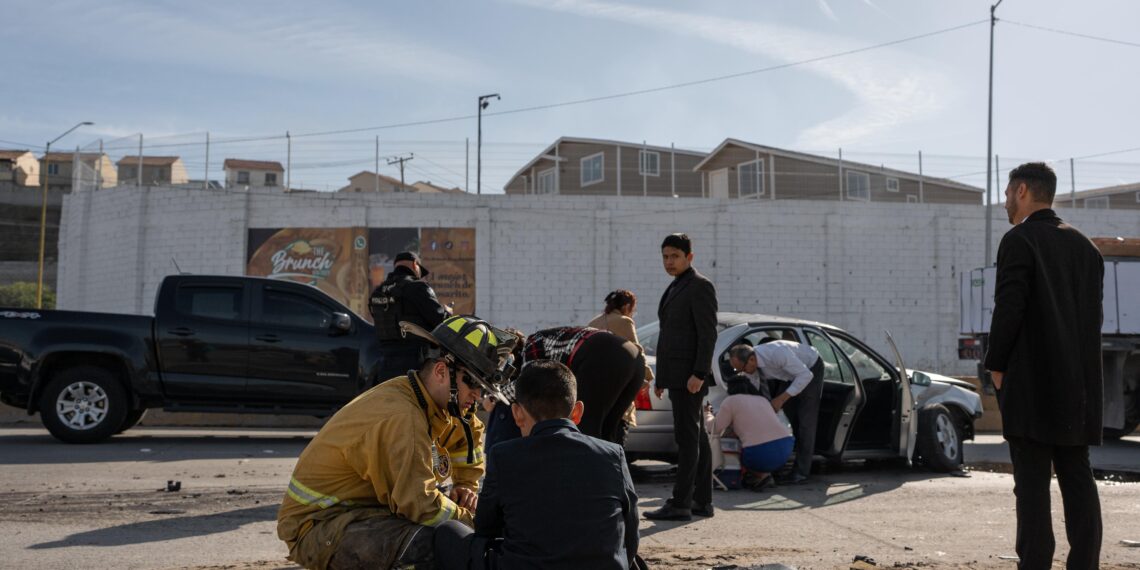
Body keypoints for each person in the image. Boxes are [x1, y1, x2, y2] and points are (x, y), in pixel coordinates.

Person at [276, 315, 517, 570]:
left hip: (365, 511)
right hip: (321, 526)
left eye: (482, 387)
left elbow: (465, 440)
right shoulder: (403, 417)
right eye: (472, 383)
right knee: (436, 545)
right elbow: (422, 506)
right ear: (440, 371)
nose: (478, 396)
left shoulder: (439, 402)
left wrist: (465, 487)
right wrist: (477, 523)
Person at [984, 162, 1104, 569]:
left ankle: (1035, 564)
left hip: (1032, 384)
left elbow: (1009, 307)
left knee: (1032, 484)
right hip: (1078, 384)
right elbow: (1093, 322)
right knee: (1078, 476)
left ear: (1021, 191)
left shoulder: (1020, 240)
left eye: (1005, 194)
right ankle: (1084, 563)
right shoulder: (1086, 247)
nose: (1004, 202)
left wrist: (995, 364)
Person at [433, 360, 640, 570]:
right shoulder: (613, 454)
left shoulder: (504, 456)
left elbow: (486, 528)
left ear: (517, 413)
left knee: (447, 532)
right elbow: (630, 532)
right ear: (577, 412)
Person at [644, 233, 718, 522]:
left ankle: (680, 504)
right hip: (677, 376)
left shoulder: (700, 286)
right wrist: (661, 378)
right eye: (665, 256)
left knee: (687, 440)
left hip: (690, 377)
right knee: (695, 438)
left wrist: (699, 372)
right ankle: (701, 502)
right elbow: (670, 338)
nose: (669, 262)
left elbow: (707, 333)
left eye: (674, 256)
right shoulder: (676, 286)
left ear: (690, 257)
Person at [484, 326, 646, 450]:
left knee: (586, 430)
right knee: (608, 432)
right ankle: (611, 482)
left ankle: (584, 487)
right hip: (635, 359)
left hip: (603, 355)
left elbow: (527, 383)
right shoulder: (549, 338)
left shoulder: (533, 344)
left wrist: (494, 397)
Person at [728, 338, 822, 484]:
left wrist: (781, 398)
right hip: (789, 376)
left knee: (805, 422)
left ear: (752, 360)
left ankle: (802, 472)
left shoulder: (777, 353)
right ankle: (786, 461)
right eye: (737, 370)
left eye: (742, 369)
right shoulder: (750, 366)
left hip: (810, 369)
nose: (742, 373)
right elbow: (755, 390)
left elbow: (805, 376)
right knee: (790, 418)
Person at [369, 251, 451, 384]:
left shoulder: (378, 292)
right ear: (415, 264)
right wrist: (447, 311)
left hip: (385, 366)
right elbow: (441, 321)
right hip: (414, 366)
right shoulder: (417, 287)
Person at [588, 289, 656, 445]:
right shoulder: (624, 322)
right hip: (617, 384)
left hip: (594, 388)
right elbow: (637, 352)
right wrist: (648, 377)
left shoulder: (593, 323)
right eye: (633, 309)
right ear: (626, 306)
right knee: (616, 435)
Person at [709, 376, 794, 490]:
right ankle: (765, 474)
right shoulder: (762, 400)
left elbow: (716, 428)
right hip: (786, 448)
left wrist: (707, 415)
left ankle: (761, 476)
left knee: (738, 448)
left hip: (759, 452)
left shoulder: (731, 401)